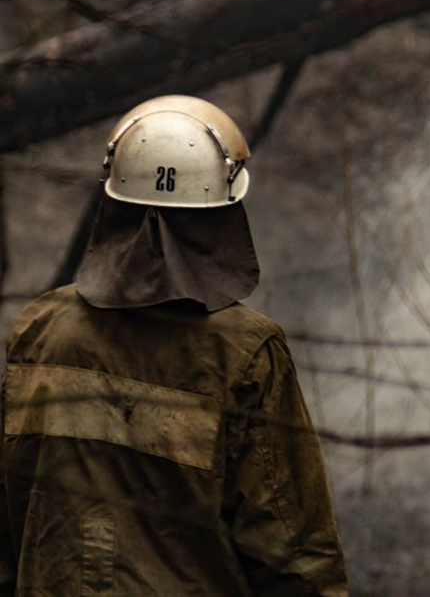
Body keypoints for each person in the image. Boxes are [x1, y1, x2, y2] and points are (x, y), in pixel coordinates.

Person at [0, 96, 348, 596]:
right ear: (221, 214)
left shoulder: (42, 330)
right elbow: (293, 553)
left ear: (114, 201)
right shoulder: (246, 354)